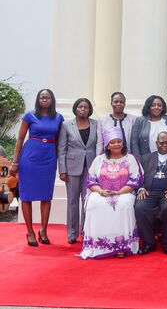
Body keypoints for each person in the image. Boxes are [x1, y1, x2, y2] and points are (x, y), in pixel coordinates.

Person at [10, 89, 64, 247]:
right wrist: (15, 162)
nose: (45, 99)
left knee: (46, 196)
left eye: (47, 97)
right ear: (38, 100)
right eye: (42, 97)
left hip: (48, 158)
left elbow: (59, 141)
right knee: (26, 195)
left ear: (52, 100)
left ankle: (43, 230)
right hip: (30, 157)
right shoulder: (30, 116)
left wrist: (61, 164)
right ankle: (30, 231)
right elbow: (20, 138)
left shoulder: (58, 118)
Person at [79, 127, 142, 259]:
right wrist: (101, 191)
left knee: (124, 204)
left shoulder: (130, 159)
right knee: (93, 203)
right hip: (102, 192)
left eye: (119, 141)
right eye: (112, 142)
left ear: (123, 143)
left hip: (124, 192)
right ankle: (98, 245)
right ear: (107, 145)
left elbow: (135, 180)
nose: (116, 144)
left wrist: (119, 192)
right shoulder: (99, 159)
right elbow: (91, 180)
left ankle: (121, 246)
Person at [135, 132, 167, 255]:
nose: (164, 145)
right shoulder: (145, 158)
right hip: (149, 192)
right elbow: (138, 177)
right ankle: (149, 243)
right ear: (156, 143)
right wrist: (141, 188)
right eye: (161, 143)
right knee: (140, 207)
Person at [58, 98, 97, 244]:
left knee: (88, 201)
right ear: (75, 108)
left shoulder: (95, 124)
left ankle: (86, 232)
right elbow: (61, 149)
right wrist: (62, 170)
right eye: (80, 107)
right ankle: (72, 233)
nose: (83, 109)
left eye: (86, 107)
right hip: (72, 168)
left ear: (89, 109)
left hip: (90, 167)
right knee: (73, 201)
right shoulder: (66, 125)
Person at [130, 95, 167, 161]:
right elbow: (134, 143)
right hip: (146, 160)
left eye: (159, 105)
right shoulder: (140, 121)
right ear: (148, 107)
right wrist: (138, 160)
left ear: (163, 107)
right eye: (153, 105)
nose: (156, 107)